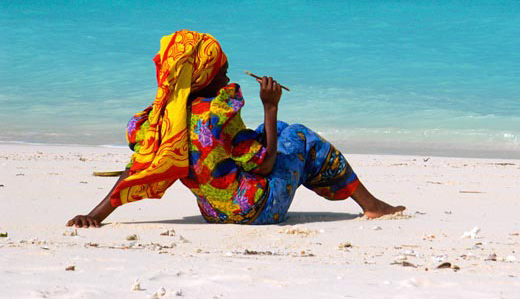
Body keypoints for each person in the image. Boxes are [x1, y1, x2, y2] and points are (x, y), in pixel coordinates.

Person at [67, 30, 404, 227]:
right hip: (256, 209)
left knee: (279, 130)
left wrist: (94, 216)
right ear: (203, 77)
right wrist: (270, 107)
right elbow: (267, 164)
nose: (228, 78)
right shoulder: (218, 116)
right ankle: (373, 206)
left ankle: (355, 196)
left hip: (213, 211)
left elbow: (137, 169)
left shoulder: (162, 121)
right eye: (222, 72)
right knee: (301, 136)